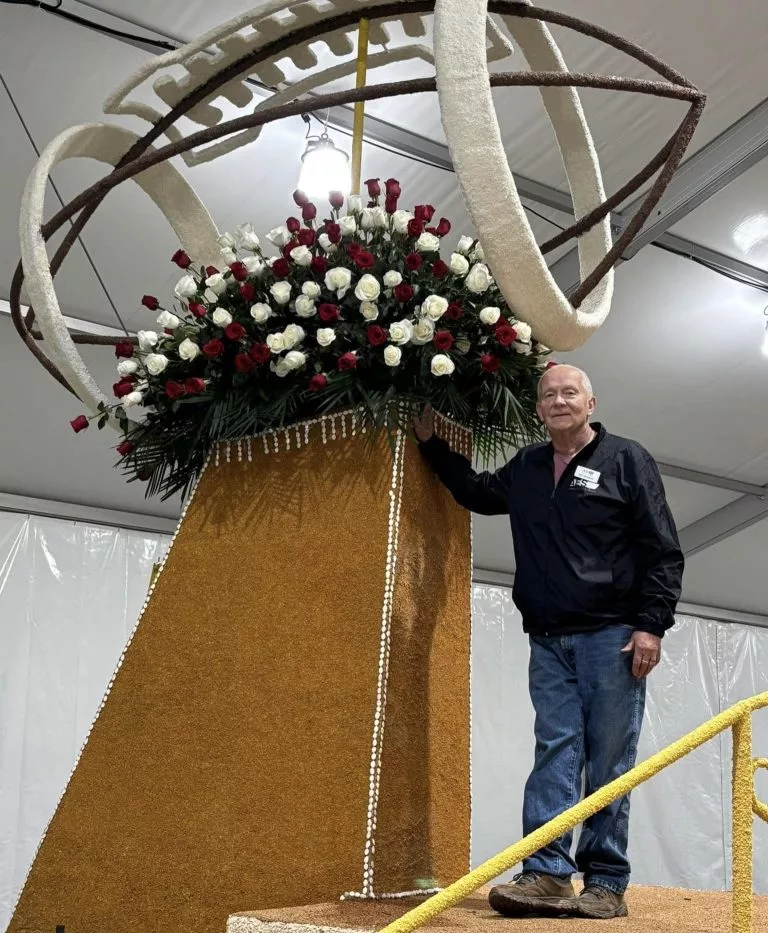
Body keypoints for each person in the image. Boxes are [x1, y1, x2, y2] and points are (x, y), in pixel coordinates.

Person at [414, 364, 684, 920]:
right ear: (537, 410)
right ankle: (546, 873)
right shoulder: (530, 467)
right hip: (548, 639)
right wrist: (430, 444)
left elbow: (662, 549)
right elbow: (476, 492)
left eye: (569, 393)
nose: (559, 401)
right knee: (555, 751)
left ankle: (606, 881)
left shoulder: (626, 460)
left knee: (609, 759)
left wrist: (650, 625)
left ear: (591, 402)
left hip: (613, 636)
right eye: (549, 395)